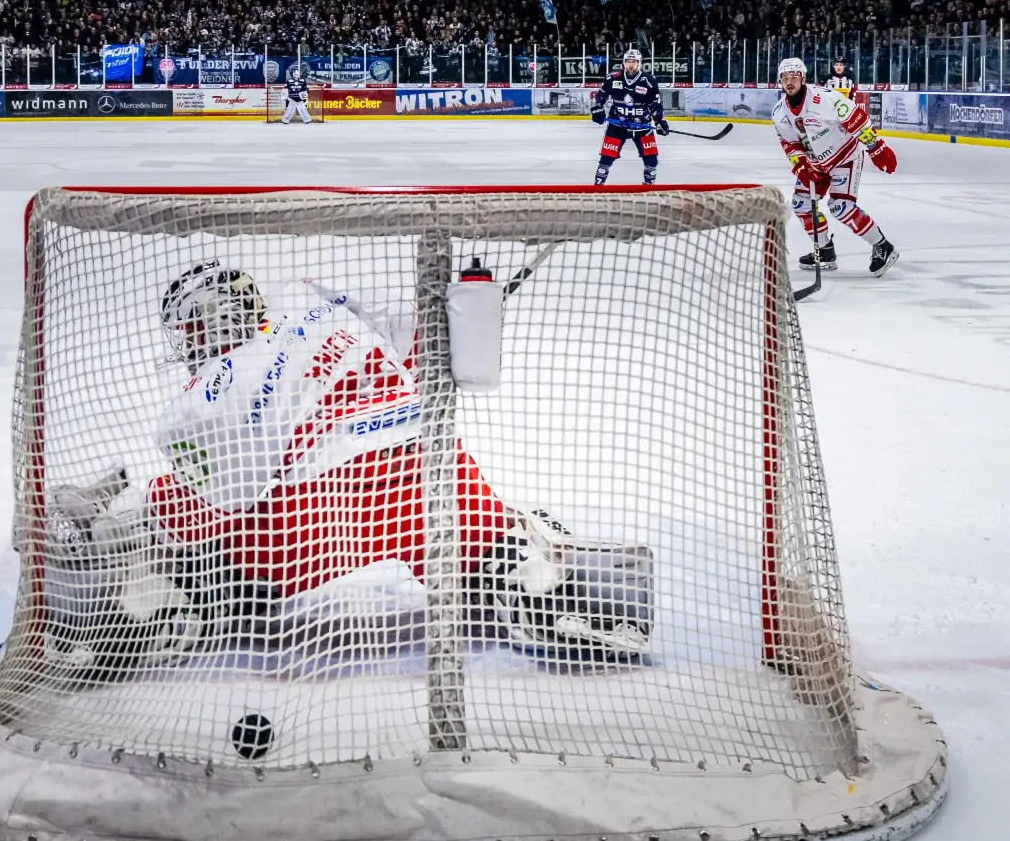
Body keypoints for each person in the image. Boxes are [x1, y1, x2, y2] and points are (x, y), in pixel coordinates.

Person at [43, 261, 656, 675]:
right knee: (488, 539)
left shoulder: (209, 390)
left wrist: (167, 507)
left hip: (307, 525)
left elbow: (228, 494)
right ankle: (529, 572)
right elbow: (429, 348)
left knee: (188, 523)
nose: (184, 346)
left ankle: (164, 580)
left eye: (186, 331)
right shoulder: (323, 307)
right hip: (427, 478)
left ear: (206, 323)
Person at [773, 57, 898, 276]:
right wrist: (802, 166)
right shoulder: (779, 112)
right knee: (801, 206)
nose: (790, 82)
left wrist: (876, 147)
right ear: (780, 81)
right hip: (815, 164)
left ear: (803, 79)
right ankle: (824, 250)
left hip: (845, 157)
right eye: (785, 78)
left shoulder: (824, 99)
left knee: (841, 207)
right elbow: (790, 144)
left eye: (794, 77)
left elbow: (856, 118)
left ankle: (883, 246)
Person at [590, 49, 669, 185]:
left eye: (634, 62)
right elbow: (600, 96)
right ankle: (598, 187)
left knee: (651, 159)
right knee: (606, 158)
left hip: (642, 126)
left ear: (640, 63)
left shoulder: (649, 81)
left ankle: (648, 187)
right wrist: (597, 109)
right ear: (624, 63)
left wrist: (659, 121)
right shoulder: (612, 78)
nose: (631, 65)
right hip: (617, 124)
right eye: (628, 62)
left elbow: (655, 104)